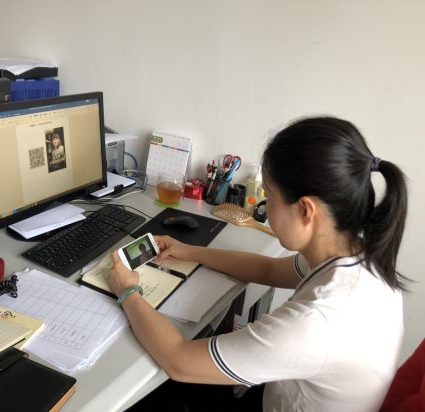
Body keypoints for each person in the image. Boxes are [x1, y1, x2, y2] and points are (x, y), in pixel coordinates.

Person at [108, 116, 408, 412]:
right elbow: (269, 269)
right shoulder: (357, 256)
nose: (265, 207)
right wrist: (190, 251)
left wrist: (129, 293)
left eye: (270, 197)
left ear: (306, 210)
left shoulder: (316, 323)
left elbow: (178, 361)